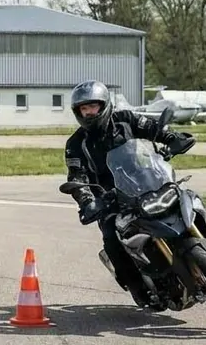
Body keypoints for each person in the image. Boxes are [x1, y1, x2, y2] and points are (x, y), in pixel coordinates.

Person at [63, 79, 195, 311]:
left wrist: (172, 139)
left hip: (145, 180)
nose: (89, 112)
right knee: (111, 236)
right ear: (78, 112)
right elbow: (77, 177)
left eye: (93, 106)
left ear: (104, 105)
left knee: (185, 198)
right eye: (84, 108)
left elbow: (155, 129)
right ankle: (138, 287)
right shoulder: (75, 144)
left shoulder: (126, 119)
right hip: (109, 198)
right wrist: (87, 200)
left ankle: (200, 252)